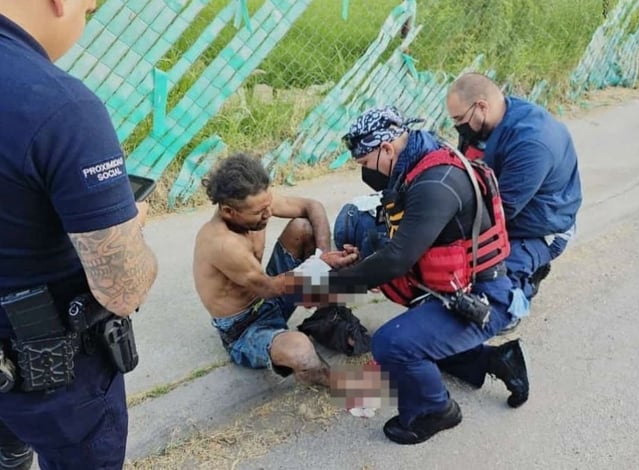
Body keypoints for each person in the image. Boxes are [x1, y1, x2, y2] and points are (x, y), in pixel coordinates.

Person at [309, 105, 529, 445]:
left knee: (391, 343)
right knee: (419, 341)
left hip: (484, 298)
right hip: (457, 287)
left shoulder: (435, 183)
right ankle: (498, 360)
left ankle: (435, 410)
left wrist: (330, 286)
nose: (365, 173)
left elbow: (398, 258)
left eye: (365, 164)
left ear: (386, 149)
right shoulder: (420, 158)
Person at [0, 1, 159, 468]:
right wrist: (131, 228)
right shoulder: (60, 106)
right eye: (90, 7)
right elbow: (122, 287)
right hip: (53, 383)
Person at [192, 153, 359, 387]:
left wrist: (322, 257)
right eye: (259, 213)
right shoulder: (222, 243)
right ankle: (346, 387)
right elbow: (269, 289)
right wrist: (323, 265)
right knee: (301, 351)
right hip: (245, 327)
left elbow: (312, 206)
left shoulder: (257, 204)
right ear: (230, 212)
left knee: (303, 227)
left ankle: (327, 317)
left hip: (270, 296)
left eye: (268, 205)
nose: (268, 214)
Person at [446, 73, 583, 325]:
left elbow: (501, 211)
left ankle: (520, 289)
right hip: (512, 209)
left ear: (481, 106)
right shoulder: (487, 122)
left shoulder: (532, 142)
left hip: (542, 228)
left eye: (458, 119)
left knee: (488, 299)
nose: (457, 127)